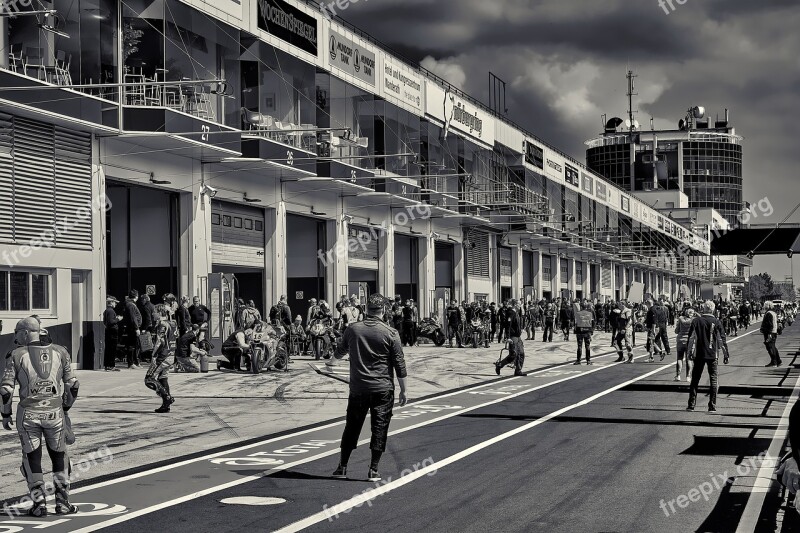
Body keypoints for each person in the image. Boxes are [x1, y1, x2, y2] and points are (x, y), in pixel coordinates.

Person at [2, 317, 80, 516]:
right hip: (55, 413)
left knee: (31, 457)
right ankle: (63, 503)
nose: (15, 335)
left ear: (26, 333)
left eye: (17, 331)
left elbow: (5, 390)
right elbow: (73, 384)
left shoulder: (15, 355)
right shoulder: (62, 352)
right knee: (60, 455)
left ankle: (39, 505)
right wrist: (66, 407)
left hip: (28, 414)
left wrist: (5, 414)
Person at [328, 293, 408, 482]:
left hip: (358, 389)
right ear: (384, 310)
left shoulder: (353, 330)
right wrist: (404, 390)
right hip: (382, 389)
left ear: (365, 309)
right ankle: (373, 469)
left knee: (352, 427)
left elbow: (339, 351)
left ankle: (342, 467)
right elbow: (400, 364)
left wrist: (330, 364)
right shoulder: (391, 333)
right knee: (379, 427)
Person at [687, 300, 730, 413]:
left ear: (703, 308)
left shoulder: (696, 321)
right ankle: (712, 406)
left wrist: (689, 352)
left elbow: (691, 338)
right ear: (713, 309)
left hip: (699, 354)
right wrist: (726, 354)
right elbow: (721, 340)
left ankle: (691, 405)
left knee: (695, 380)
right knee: (713, 380)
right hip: (712, 354)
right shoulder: (716, 322)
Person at [144, 305, 177, 413]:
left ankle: (167, 397)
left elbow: (160, 342)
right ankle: (165, 405)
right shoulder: (173, 323)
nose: (152, 314)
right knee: (163, 378)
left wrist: (153, 355)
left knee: (149, 379)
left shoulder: (162, 324)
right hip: (171, 354)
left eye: (154, 312)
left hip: (163, 355)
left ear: (159, 312)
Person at [495, 300, 525, 376]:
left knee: (521, 353)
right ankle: (501, 365)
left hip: (518, 336)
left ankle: (518, 369)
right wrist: (508, 337)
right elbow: (508, 325)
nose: (519, 306)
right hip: (513, 336)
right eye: (518, 304)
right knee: (514, 354)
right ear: (514, 304)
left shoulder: (517, 313)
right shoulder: (511, 313)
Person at [674, 305, 695, 382]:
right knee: (689, 359)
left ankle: (678, 375)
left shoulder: (680, 319)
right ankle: (688, 376)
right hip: (689, 340)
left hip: (680, 339)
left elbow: (676, 330)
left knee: (679, 358)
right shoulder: (693, 320)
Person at [123, 290, 143, 369]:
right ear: (136, 296)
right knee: (132, 345)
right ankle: (131, 363)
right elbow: (133, 318)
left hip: (132, 328)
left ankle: (134, 362)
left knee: (134, 345)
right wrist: (136, 328)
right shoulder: (131, 305)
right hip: (132, 328)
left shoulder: (130, 304)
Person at [103, 295, 122, 371]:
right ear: (111, 302)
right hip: (112, 332)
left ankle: (108, 365)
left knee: (108, 348)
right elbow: (111, 322)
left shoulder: (106, 311)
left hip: (108, 331)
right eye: (115, 302)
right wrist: (118, 319)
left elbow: (106, 322)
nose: (116, 304)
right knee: (112, 349)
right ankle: (111, 365)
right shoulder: (111, 311)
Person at [761, 301, 782, 367]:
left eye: (765, 305)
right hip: (774, 331)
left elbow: (770, 324)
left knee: (770, 347)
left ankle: (774, 362)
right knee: (773, 347)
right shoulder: (773, 312)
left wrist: (769, 333)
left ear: (768, 306)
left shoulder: (769, 313)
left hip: (769, 332)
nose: (764, 306)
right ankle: (778, 361)